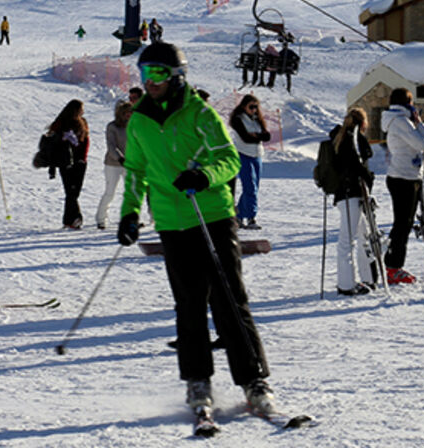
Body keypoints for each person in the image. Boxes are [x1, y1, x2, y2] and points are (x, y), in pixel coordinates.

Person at [115, 42, 275, 416]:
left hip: (211, 216)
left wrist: (203, 176)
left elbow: (229, 158)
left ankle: (253, 379)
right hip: (172, 223)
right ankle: (197, 380)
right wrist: (129, 214)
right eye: (144, 74)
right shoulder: (139, 120)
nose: (149, 82)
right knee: (188, 304)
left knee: (228, 299)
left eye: (156, 74)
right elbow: (136, 172)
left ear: (176, 76)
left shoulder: (199, 114)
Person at [380, 88, 424, 284]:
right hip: (404, 177)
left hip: (406, 175)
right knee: (402, 224)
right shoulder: (401, 121)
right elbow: (420, 144)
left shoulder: (397, 120)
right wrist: (421, 125)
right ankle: (393, 265)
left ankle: (394, 264)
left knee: (404, 223)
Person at [330, 108, 378, 295]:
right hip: (351, 193)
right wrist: (368, 177)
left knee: (362, 236)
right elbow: (356, 165)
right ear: (363, 122)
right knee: (347, 240)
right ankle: (346, 284)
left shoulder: (343, 137)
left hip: (347, 195)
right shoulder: (351, 139)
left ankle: (366, 278)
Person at [229, 94, 272, 230]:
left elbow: (267, 136)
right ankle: (251, 217)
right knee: (250, 187)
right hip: (243, 154)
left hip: (257, 155)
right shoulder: (238, 119)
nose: (254, 110)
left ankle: (239, 214)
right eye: (251, 107)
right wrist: (257, 137)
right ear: (244, 106)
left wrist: (256, 136)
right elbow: (245, 138)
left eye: (256, 107)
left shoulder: (256, 120)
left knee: (254, 188)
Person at [47, 100, 90, 229]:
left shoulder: (83, 122)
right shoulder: (60, 123)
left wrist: (83, 157)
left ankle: (69, 220)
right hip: (65, 160)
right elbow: (51, 141)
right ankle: (75, 218)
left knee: (73, 191)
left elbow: (86, 140)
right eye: (81, 109)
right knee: (70, 191)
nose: (83, 111)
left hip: (79, 161)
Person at [94, 101, 133, 229]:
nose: (129, 115)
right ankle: (101, 218)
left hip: (130, 164)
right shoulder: (113, 127)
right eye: (126, 113)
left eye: (130, 113)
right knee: (110, 192)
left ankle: (130, 218)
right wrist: (120, 158)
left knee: (131, 192)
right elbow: (111, 145)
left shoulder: (134, 126)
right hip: (113, 164)